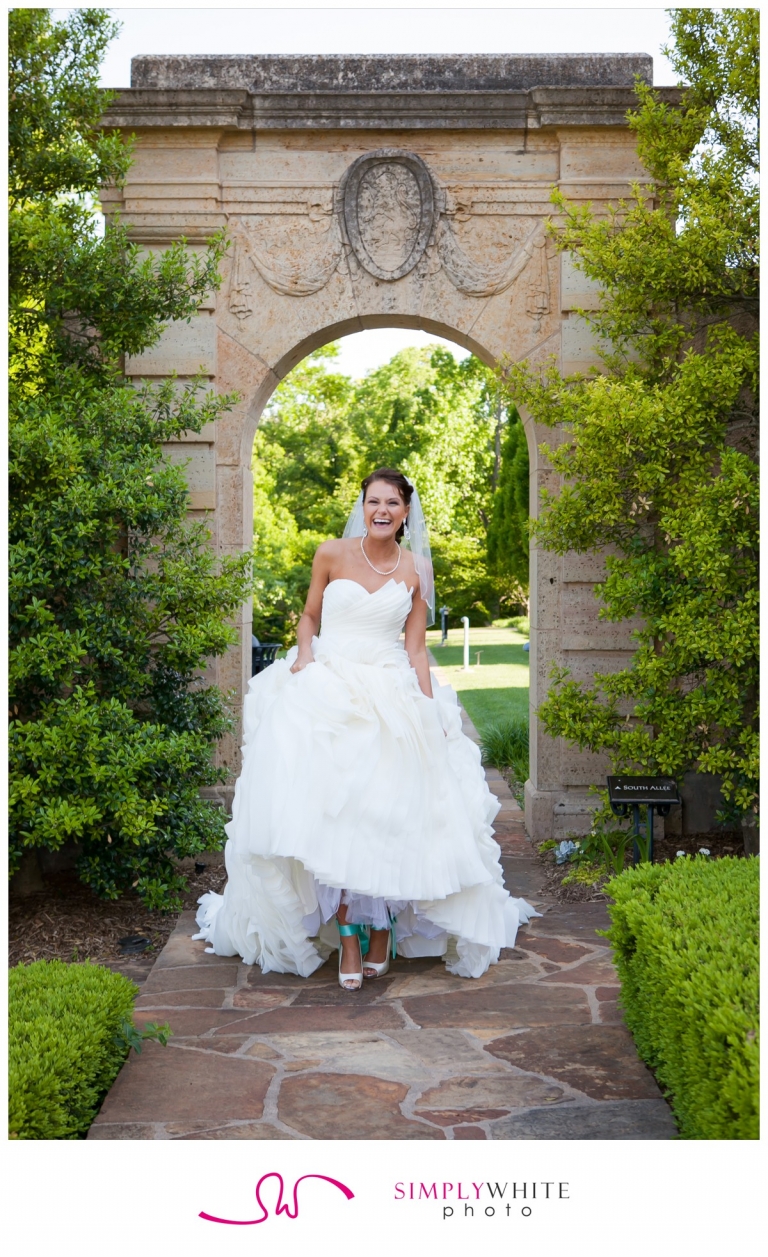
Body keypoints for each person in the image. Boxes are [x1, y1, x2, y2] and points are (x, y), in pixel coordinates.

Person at [194, 468, 538, 989]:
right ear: (363, 505)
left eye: (392, 503)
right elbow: (309, 617)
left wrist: (429, 711)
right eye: (373, 500)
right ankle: (350, 938)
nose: (382, 510)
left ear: (405, 512)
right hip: (328, 689)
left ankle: (383, 931)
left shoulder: (417, 567)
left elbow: (416, 647)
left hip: (389, 690)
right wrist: (305, 654)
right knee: (337, 818)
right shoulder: (330, 553)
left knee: (391, 816)